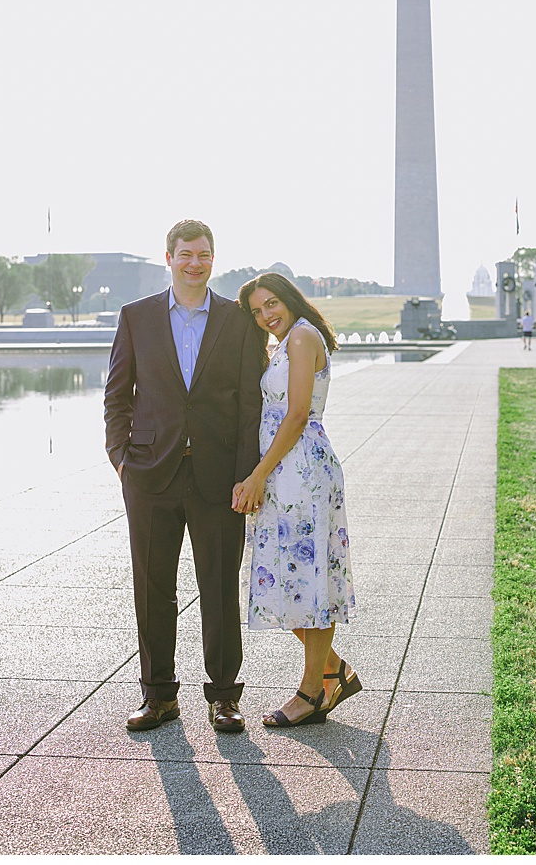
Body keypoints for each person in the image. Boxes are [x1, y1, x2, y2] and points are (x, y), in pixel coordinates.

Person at [104, 219, 268, 733]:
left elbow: (249, 403)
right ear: (169, 257)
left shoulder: (238, 321)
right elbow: (118, 393)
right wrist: (121, 459)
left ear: (213, 260)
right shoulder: (137, 317)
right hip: (151, 474)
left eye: (203, 255)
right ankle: (158, 696)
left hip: (219, 478)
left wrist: (246, 474)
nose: (195, 263)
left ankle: (223, 697)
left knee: (219, 586)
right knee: (153, 588)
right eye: (186, 254)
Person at [233, 273, 360, 727]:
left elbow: (298, 414)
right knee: (287, 578)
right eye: (256, 311)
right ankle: (332, 672)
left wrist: (256, 476)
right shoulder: (288, 340)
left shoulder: (302, 337)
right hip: (287, 471)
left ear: (288, 299)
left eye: (271, 304)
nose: (266, 315)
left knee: (304, 576)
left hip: (299, 471)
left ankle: (312, 692)